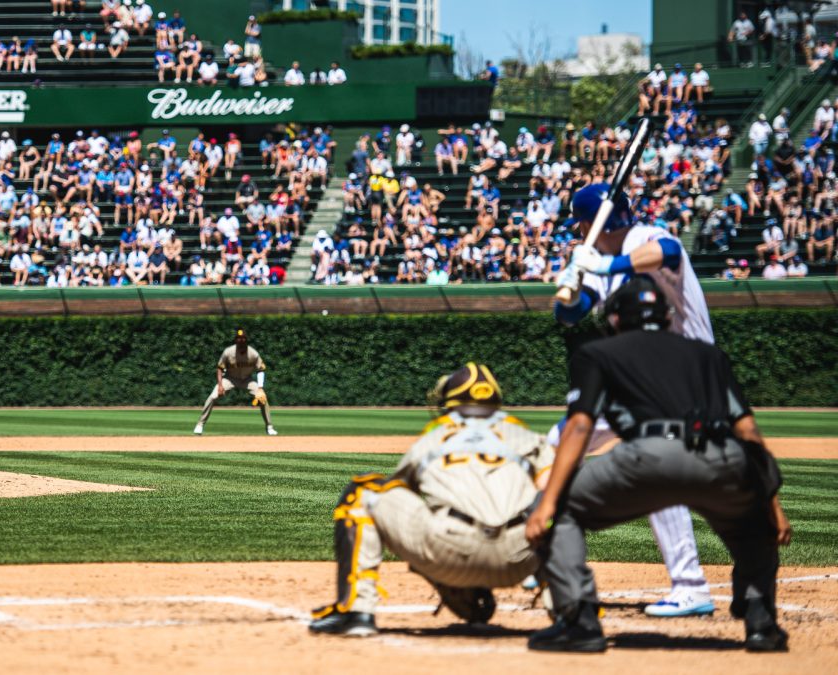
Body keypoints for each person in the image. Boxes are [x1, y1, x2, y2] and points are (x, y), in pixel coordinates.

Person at [526, 278, 790, 653]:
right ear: (667, 317)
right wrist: (773, 507)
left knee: (554, 511)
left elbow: (580, 426)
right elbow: (748, 432)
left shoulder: (598, 352)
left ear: (615, 319)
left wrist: (549, 502)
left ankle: (579, 621)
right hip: (720, 457)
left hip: (646, 458)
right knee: (752, 526)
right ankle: (761, 622)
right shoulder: (707, 354)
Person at [554, 183, 716, 617]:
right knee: (559, 444)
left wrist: (608, 263)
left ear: (590, 224)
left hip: (686, 372)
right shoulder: (594, 262)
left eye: (581, 225)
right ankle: (545, 553)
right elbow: (573, 312)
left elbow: (668, 253)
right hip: (641, 378)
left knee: (655, 468)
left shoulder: (645, 237)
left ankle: (690, 585)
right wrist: (570, 289)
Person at [309, 363, 553, 636]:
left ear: (450, 401)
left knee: (363, 492)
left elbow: (401, 494)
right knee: (556, 500)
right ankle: (571, 609)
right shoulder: (527, 436)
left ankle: (356, 611)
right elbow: (553, 491)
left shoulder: (436, 434)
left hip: (447, 552)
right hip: (519, 559)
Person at [194, 328, 274, 436]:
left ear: (246, 339)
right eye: (238, 338)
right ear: (236, 340)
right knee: (213, 396)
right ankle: (200, 424)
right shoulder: (228, 352)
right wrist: (220, 385)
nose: (241, 340)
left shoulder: (253, 354)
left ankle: (269, 427)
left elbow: (261, 369)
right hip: (230, 379)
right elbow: (220, 368)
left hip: (247, 380)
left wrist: (260, 388)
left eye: (243, 338)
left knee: (262, 398)